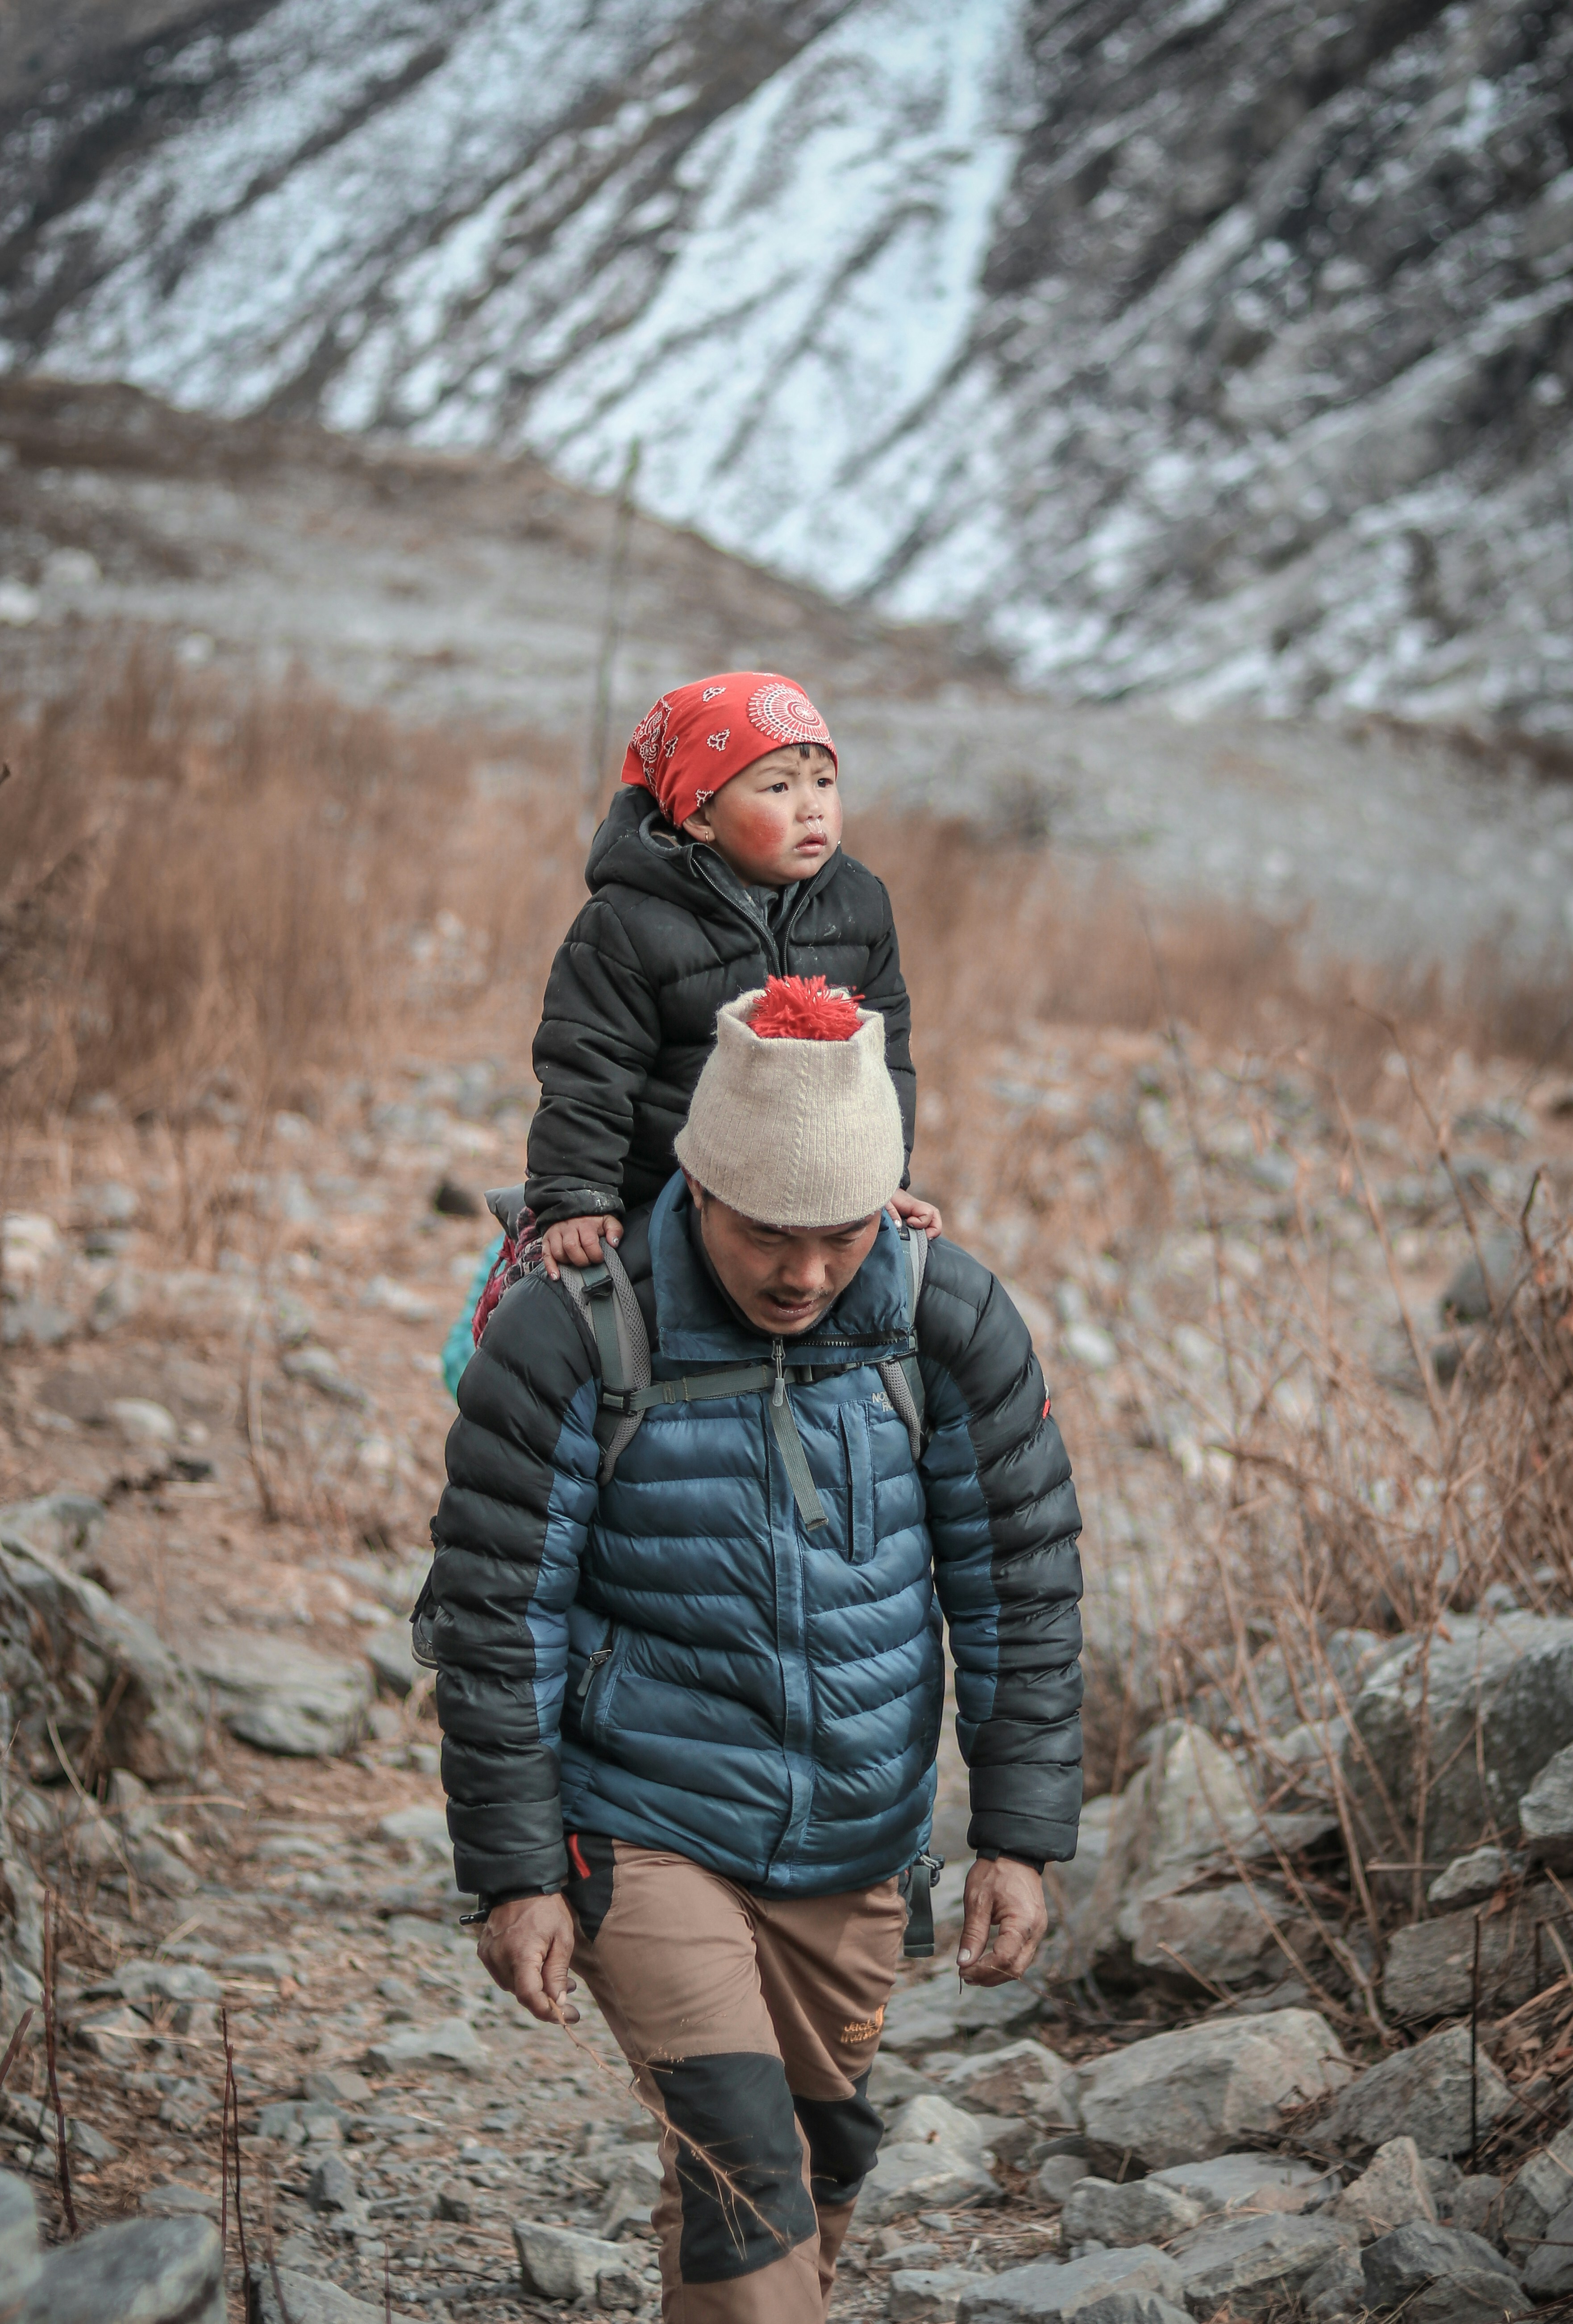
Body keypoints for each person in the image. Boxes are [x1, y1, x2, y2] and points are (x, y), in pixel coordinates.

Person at [427, 975, 1084, 2322]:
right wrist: (511, 1873)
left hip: (856, 1836)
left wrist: (1018, 1837)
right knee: (745, 2170)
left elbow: (1018, 1584)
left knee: (824, 2157)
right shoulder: (576, 1331)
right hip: (641, 1822)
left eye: (840, 1235)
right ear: (699, 1189)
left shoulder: (940, 1323)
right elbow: (498, 1619)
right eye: (767, 1235)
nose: (803, 1272)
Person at [513, 670, 939, 1293]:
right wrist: (578, 1195)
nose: (812, 805)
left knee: (922, 1299)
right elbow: (588, 1062)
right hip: (668, 1191)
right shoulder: (630, 922)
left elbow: (883, 1056)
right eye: (779, 786)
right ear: (701, 814)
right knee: (600, 1317)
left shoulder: (860, 905)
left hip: (811, 1205)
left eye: (824, 781)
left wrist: (882, 1179)